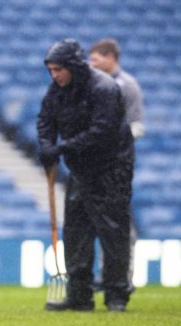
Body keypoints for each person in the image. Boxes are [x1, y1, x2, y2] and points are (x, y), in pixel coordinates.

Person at [37, 39, 134, 312]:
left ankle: (116, 296)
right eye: (51, 71)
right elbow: (45, 118)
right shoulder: (57, 89)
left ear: (73, 67)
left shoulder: (104, 88)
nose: (54, 76)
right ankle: (79, 296)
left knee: (112, 230)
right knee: (76, 231)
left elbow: (101, 131)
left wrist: (61, 147)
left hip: (111, 168)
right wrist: (46, 145)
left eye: (59, 70)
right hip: (80, 169)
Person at [89, 38, 144, 292]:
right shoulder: (92, 86)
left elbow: (137, 126)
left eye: (95, 59)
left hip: (118, 165)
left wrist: (111, 141)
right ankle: (104, 276)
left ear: (111, 57)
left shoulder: (127, 86)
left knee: (119, 223)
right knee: (97, 222)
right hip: (94, 165)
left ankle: (123, 278)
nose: (92, 63)